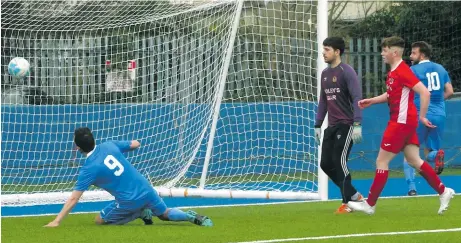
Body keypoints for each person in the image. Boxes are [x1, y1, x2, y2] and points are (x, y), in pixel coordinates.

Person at [347, 36, 455, 215]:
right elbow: (392, 95)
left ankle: (370, 204)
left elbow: (425, 92)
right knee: (414, 160)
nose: (382, 53)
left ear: (394, 52)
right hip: (404, 122)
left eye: (385, 50)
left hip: (400, 122)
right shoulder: (395, 72)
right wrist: (372, 101)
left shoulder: (404, 71)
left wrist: (422, 117)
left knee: (381, 161)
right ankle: (444, 191)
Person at [44, 127, 213, 227]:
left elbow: (74, 199)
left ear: (77, 147)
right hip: (146, 188)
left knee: (99, 221)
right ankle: (191, 217)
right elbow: (135, 144)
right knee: (164, 213)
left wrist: (57, 221)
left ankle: (139, 213)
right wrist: (130, 146)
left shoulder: (89, 169)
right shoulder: (109, 145)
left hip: (129, 200)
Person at [315, 37, 364, 214]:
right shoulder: (325, 74)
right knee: (325, 164)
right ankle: (353, 195)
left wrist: (357, 123)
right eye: (323, 49)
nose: (323, 53)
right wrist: (318, 124)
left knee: (339, 160)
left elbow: (357, 98)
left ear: (337, 52)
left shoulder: (347, 71)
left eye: (327, 49)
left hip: (346, 125)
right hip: (332, 126)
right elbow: (323, 101)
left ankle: (347, 203)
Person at [402, 41, 454, 196]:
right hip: (439, 115)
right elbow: (450, 91)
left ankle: (411, 189)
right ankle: (436, 155)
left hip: (420, 115)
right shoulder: (441, 68)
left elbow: (406, 92)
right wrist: (437, 104)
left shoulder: (413, 70)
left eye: (413, 53)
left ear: (422, 54)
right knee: (430, 151)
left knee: (409, 153)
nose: (411, 56)